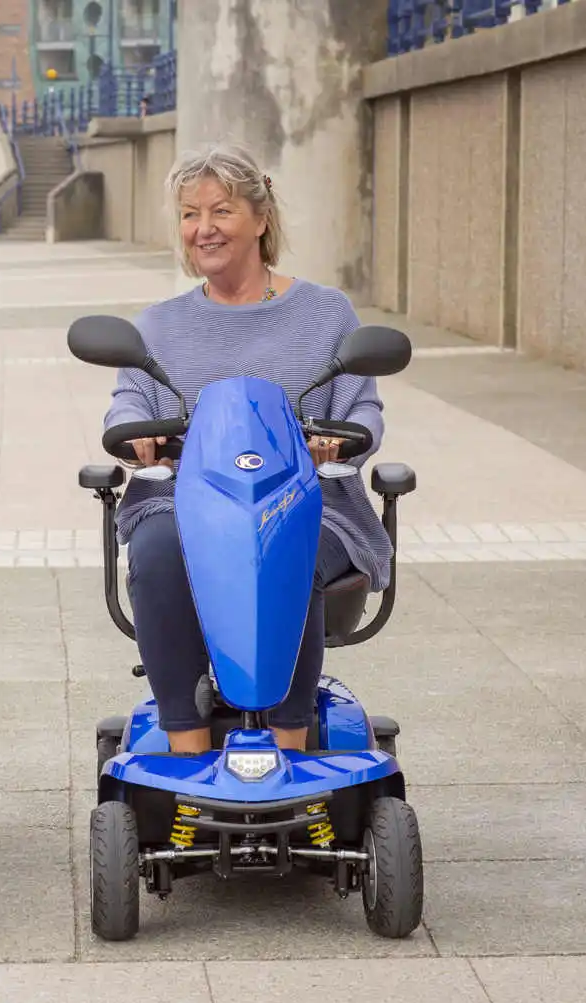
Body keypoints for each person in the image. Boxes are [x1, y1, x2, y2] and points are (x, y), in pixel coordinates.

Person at [105, 140, 392, 755]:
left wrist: (339, 440)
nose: (202, 229)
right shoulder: (157, 326)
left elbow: (363, 406)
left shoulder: (324, 311)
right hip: (185, 503)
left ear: (261, 219)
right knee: (155, 552)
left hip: (309, 499)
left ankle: (289, 746)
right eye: (189, 214)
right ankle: (184, 742)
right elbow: (128, 401)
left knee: (288, 543)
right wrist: (139, 435)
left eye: (221, 211)